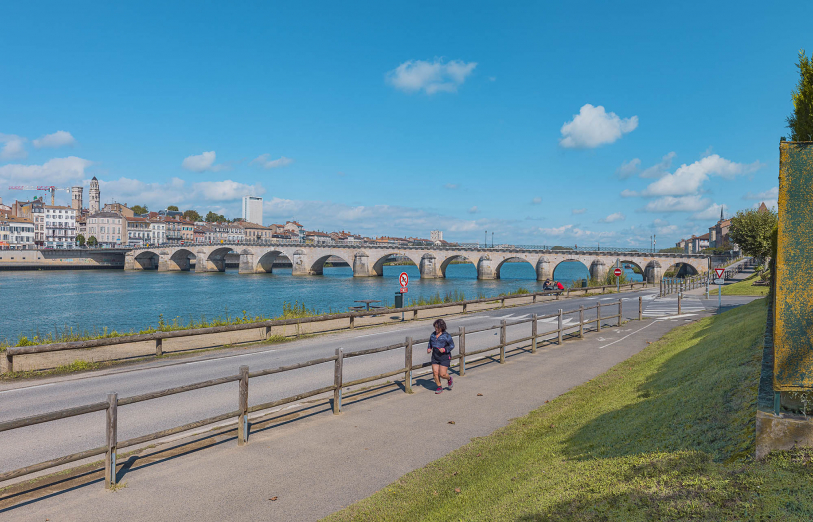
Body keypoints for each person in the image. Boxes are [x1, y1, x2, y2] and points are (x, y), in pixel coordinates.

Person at [428, 318, 454, 394]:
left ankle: (449, 378)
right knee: (435, 372)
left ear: (442, 327)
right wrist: (429, 348)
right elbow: (430, 343)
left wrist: (445, 349)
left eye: (437, 327)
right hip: (435, 356)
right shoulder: (433, 335)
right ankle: (439, 387)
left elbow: (452, 345)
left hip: (444, 356)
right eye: (435, 327)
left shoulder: (446, 336)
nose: (436, 329)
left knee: (442, 374)